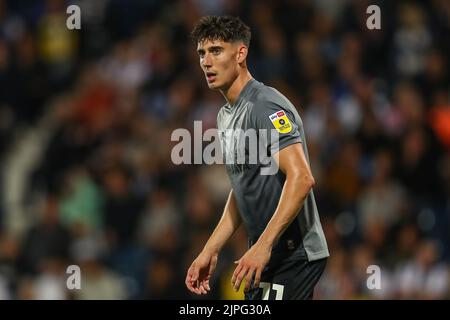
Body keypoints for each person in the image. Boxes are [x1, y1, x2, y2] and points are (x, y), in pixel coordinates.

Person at [185, 15, 329, 300]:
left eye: (216, 51)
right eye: (202, 53)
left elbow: (301, 179)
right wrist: (210, 248)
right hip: (267, 252)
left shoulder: (264, 105)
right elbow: (243, 188)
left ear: (241, 53)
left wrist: (263, 246)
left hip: (293, 253)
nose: (206, 61)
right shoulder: (226, 116)